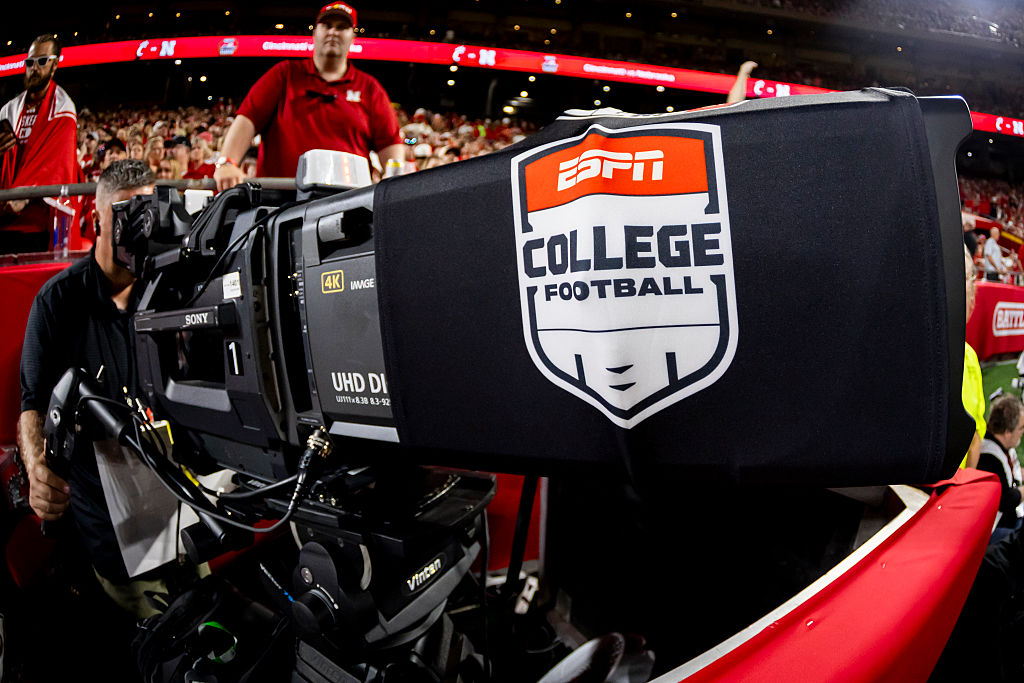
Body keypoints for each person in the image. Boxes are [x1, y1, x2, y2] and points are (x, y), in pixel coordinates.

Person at [18, 160, 198, 620]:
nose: (139, 230)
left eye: (148, 215)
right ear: (95, 220)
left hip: (183, 507)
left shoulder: (172, 291)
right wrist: (39, 468)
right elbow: (33, 403)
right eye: (125, 217)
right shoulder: (57, 301)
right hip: (109, 522)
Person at [214, 2, 403, 191]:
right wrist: (227, 162)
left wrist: (394, 179)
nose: (333, 32)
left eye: (341, 27)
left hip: (348, 204)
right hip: (282, 201)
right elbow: (248, 119)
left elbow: (390, 143)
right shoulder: (284, 74)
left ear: (353, 37)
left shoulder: (369, 88)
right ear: (315, 33)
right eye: (327, 26)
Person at [0, 34, 80, 254]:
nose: (34, 68)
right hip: (4, 217)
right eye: (30, 62)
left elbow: (57, 165)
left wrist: (24, 194)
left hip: (38, 225)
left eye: (42, 61)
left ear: (54, 65)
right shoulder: (9, 110)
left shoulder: (63, 110)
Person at [978, 394, 1024, 544]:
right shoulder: (988, 458)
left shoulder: (1003, 444)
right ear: (1007, 432)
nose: (1022, 432)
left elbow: (1013, 474)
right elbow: (1005, 500)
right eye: (1020, 428)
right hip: (995, 528)